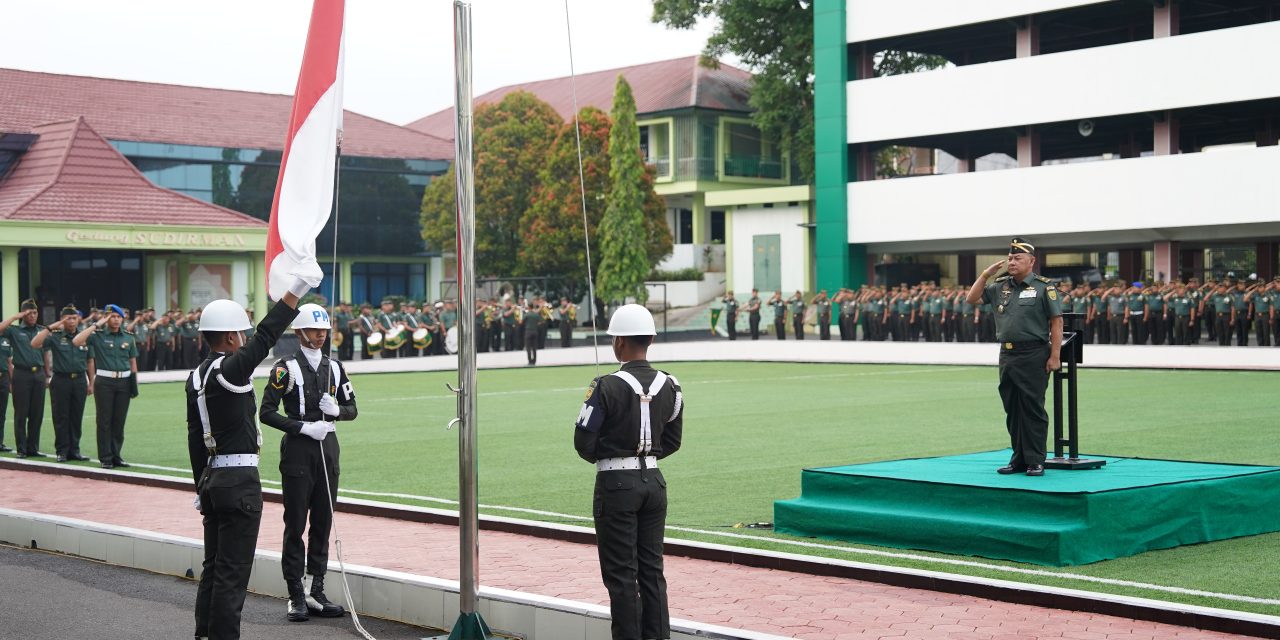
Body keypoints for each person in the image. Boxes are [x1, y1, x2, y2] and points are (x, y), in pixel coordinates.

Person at [187, 279, 306, 640]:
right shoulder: (230, 369)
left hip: (212, 479)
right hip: (239, 481)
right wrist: (295, 290)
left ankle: (205, 634)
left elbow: (195, 438)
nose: (245, 338)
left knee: (213, 567)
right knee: (232, 573)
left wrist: (199, 485)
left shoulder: (197, 375)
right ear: (229, 338)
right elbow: (267, 335)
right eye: (241, 333)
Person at [573, 304, 683, 640]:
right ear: (650, 339)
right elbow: (674, 441)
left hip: (616, 485)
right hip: (654, 482)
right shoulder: (672, 385)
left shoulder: (605, 385)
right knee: (652, 572)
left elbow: (583, 441)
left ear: (619, 342)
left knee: (622, 576)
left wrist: (609, 456)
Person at [259, 303, 356, 622]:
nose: (320, 336)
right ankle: (296, 594)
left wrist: (336, 411)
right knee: (296, 523)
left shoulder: (336, 367)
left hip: (328, 446)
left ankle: (316, 589)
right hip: (299, 447)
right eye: (314, 331)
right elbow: (266, 412)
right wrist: (301, 426)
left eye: (324, 331)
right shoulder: (285, 368)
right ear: (299, 332)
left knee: (324, 522)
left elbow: (352, 407)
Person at [966, 238, 1062, 477]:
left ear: (1031, 262)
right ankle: (1018, 458)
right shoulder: (1000, 286)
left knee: (1032, 408)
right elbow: (972, 299)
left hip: (1034, 353)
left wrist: (1055, 356)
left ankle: (1036, 460)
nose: (1012, 261)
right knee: (1013, 408)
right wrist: (986, 274)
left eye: (1018, 258)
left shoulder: (1043, 287)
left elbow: (1056, 322)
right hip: (1008, 354)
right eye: (1010, 258)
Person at [73, 304, 138, 469]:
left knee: (119, 421)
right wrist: (97, 324)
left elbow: (132, 361)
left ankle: (116, 455)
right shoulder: (98, 335)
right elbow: (76, 340)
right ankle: (106, 457)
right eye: (112, 317)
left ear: (122, 319)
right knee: (104, 421)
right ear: (106, 318)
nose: (115, 320)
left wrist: (134, 383)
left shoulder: (128, 337)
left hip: (124, 382)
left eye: (118, 317)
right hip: (104, 382)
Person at [31, 305, 92, 462]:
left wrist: (91, 382)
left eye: (74, 318)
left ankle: (75, 450)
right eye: (68, 318)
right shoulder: (55, 336)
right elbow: (35, 344)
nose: (71, 321)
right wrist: (51, 327)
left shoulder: (84, 336)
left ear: (79, 319)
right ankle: (62, 451)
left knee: (76, 416)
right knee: (61, 416)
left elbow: (90, 360)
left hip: (79, 380)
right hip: (61, 380)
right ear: (62, 320)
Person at [0, 299, 48, 458]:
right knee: (21, 413)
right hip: (21, 374)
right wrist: (15, 317)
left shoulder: (42, 330)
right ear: (23, 314)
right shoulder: (14, 331)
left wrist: (47, 374)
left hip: (39, 374)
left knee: (37, 413)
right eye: (29, 313)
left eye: (35, 313)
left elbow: (45, 353)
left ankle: (33, 447)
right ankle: (22, 448)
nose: (33, 316)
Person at [522, 298, 545, 365]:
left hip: (528, 331)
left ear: (528, 307)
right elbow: (541, 321)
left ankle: (530, 361)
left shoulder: (527, 314)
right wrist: (535, 324)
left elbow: (522, 321)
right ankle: (534, 361)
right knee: (534, 347)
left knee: (528, 347)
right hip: (535, 331)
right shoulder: (536, 315)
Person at [0, 329, 11, 453]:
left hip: (3, 377)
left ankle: (0, 442)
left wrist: (11, 381)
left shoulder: (5, 341)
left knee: (2, 412)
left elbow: (9, 362)